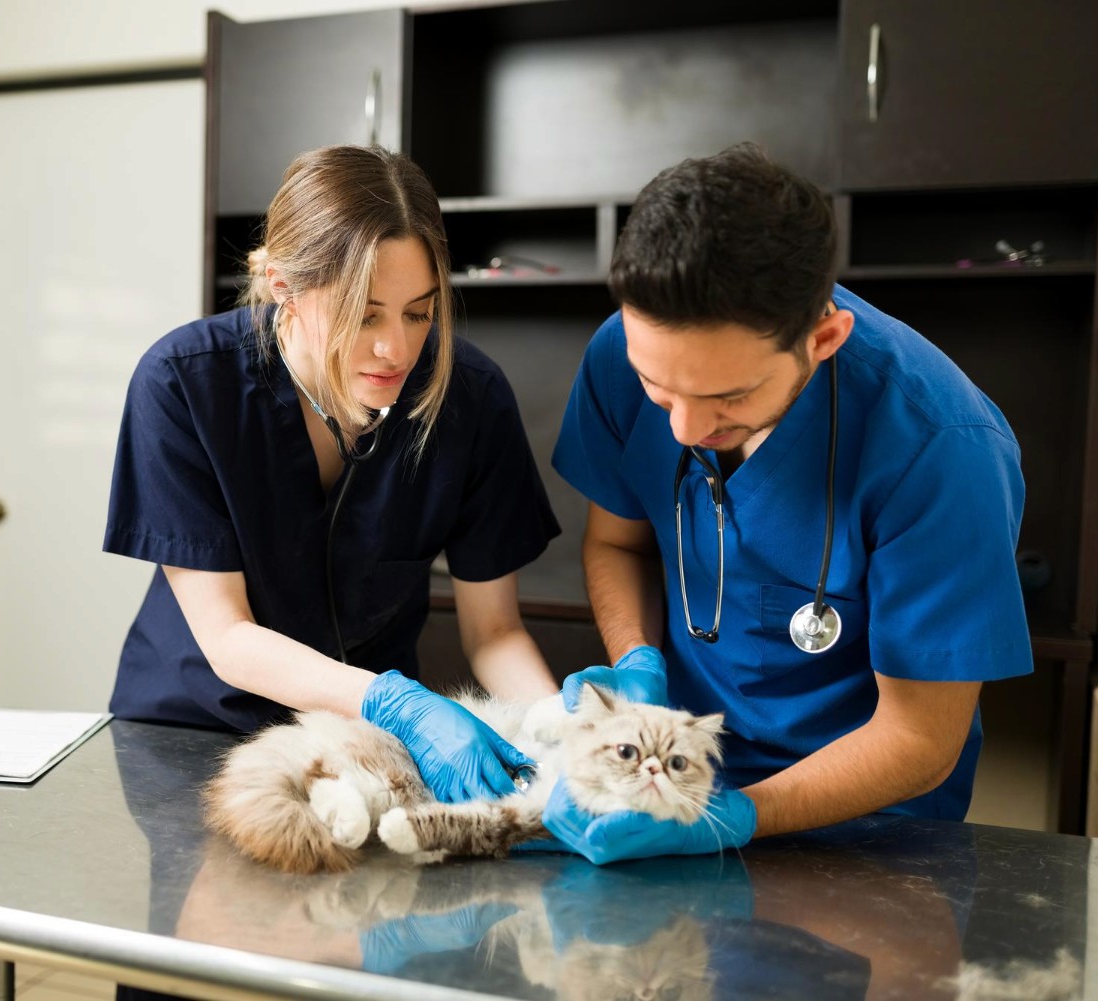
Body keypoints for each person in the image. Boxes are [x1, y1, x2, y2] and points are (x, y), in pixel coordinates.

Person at [543, 143, 1032, 863]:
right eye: (658, 387)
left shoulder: (942, 445)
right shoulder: (624, 351)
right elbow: (618, 543)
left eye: (729, 397)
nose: (683, 427)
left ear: (823, 339)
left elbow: (920, 740)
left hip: (871, 834)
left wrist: (730, 818)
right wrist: (637, 660)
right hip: (676, 789)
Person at [103, 143, 561, 802]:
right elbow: (228, 635)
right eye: (364, 312)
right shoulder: (185, 384)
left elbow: (494, 630)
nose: (396, 349)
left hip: (365, 753)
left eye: (419, 311)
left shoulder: (470, 398)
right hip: (193, 738)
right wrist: (397, 701)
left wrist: (565, 737)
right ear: (284, 287)